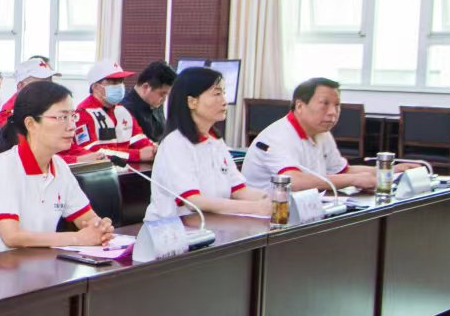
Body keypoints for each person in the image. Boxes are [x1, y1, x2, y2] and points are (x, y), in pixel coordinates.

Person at [0, 80, 116, 253]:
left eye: (73, 116)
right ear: (31, 124)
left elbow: (87, 218)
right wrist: (78, 238)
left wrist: (99, 227)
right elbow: (12, 236)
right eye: (62, 117)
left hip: (37, 261)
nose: (72, 126)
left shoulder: (59, 166)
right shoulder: (4, 166)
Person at [149, 66, 269, 220]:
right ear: (192, 102)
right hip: (173, 228)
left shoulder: (215, 141)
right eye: (217, 94)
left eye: (223, 93)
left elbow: (238, 190)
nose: (224, 101)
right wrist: (253, 208)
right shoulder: (175, 143)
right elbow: (193, 201)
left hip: (211, 224)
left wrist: (270, 198)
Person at [243, 76, 384, 192]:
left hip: (307, 207)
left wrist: (386, 170)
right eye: (324, 104)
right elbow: (293, 181)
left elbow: (341, 171)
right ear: (299, 106)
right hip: (269, 211)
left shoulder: (322, 132)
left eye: (337, 105)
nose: (333, 112)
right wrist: (353, 180)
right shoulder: (278, 136)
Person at [70, 61, 152, 164]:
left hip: (128, 170)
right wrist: (137, 155)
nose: (119, 86)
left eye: (121, 81)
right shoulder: (83, 113)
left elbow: (139, 139)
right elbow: (93, 151)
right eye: (113, 82)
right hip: (101, 171)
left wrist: (153, 150)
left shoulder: (122, 110)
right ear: (96, 87)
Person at [123, 62, 175, 144]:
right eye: (162, 94)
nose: (164, 99)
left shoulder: (155, 104)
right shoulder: (125, 110)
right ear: (146, 87)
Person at [0, 59, 57, 125]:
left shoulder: (54, 105)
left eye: (49, 81)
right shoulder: (8, 116)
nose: (48, 87)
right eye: (41, 83)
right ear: (20, 86)